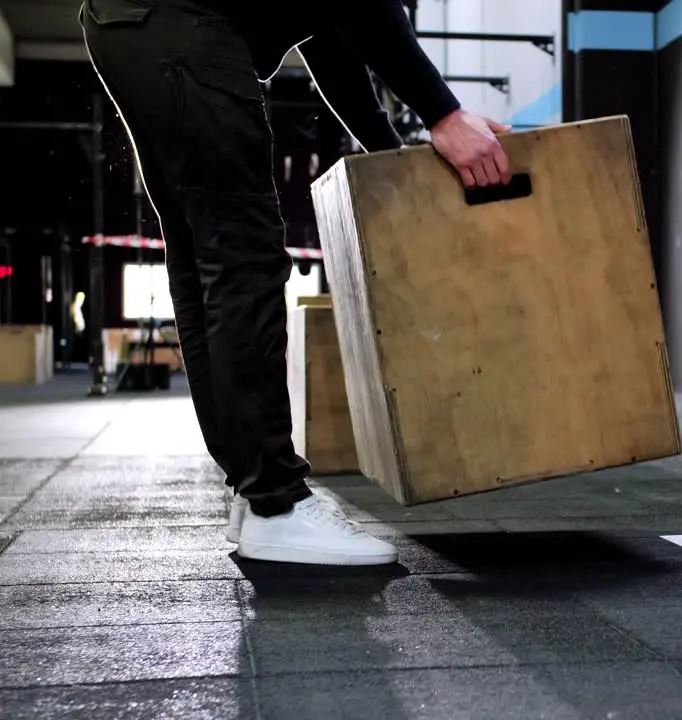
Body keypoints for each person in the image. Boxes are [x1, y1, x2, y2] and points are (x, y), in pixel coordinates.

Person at [80, 0, 512, 566]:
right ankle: (274, 508)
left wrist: (392, 151)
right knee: (243, 260)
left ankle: (253, 490)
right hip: (184, 26)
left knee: (201, 252)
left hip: (128, 25)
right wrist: (445, 116)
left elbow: (332, 38)